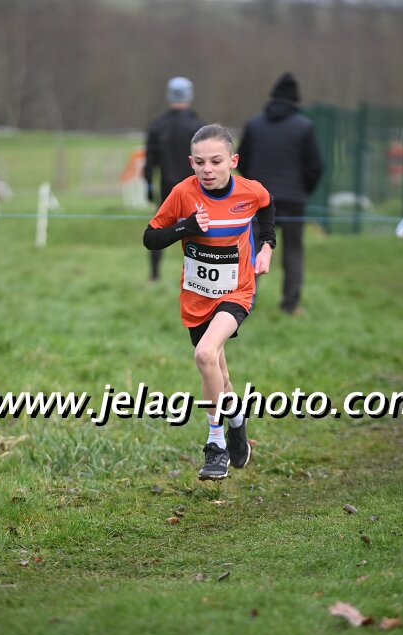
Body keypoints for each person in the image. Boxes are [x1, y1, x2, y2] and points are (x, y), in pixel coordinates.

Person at [143, 124, 276, 480]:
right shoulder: (182, 193)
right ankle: (237, 420)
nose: (208, 169)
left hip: (237, 291)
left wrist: (266, 246)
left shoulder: (250, 191)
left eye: (216, 161)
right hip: (197, 296)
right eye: (200, 162)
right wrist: (186, 227)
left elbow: (266, 207)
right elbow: (150, 238)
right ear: (191, 163)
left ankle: (215, 444)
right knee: (220, 373)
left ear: (233, 161)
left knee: (204, 355)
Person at [238, 72, 324, 315]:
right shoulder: (304, 127)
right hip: (293, 200)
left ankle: (245, 302)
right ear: (295, 99)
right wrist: (303, 190)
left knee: (254, 249)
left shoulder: (254, 124)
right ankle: (290, 304)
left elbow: (241, 161)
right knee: (293, 251)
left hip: (259, 200)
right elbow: (316, 167)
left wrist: (254, 186)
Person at [143, 77, 204, 281]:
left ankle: (154, 276)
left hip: (167, 189)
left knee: (158, 229)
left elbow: (149, 162)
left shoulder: (157, 125)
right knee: (200, 230)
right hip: (196, 190)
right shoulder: (198, 126)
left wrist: (149, 188)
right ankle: (200, 278)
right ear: (190, 95)